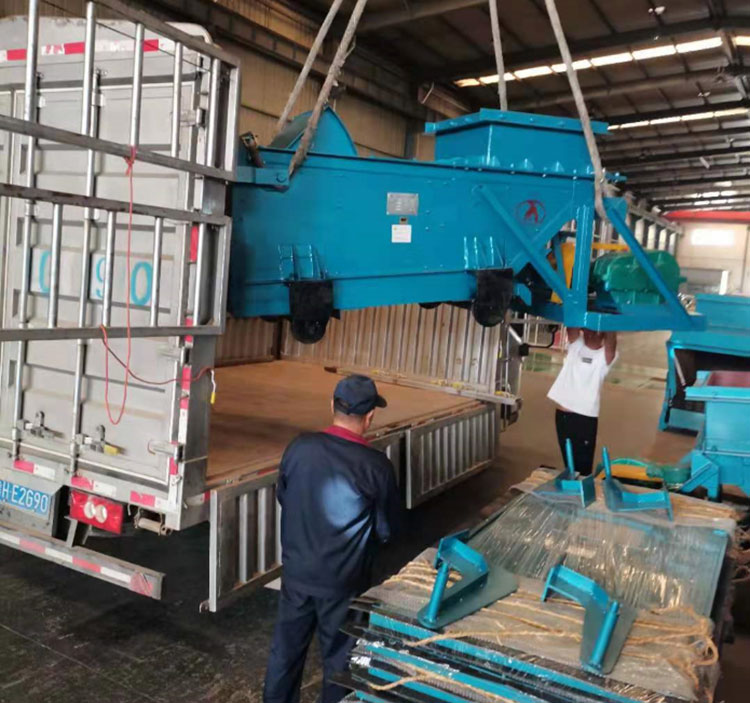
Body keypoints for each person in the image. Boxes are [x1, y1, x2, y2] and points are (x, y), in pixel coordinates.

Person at [263, 374, 402, 703]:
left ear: (332, 406)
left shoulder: (299, 447)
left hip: (297, 574)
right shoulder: (376, 466)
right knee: (341, 662)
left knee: (285, 654)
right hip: (343, 583)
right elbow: (387, 530)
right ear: (370, 417)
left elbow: (285, 496)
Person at [547, 327, 618, 475]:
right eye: (586, 330)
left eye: (594, 331)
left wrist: (609, 322)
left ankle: (579, 486)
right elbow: (572, 326)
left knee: (583, 466)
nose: (590, 334)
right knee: (570, 462)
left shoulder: (604, 357)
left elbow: (611, 342)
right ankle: (572, 483)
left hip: (585, 418)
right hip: (563, 414)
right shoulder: (577, 346)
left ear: (602, 333)